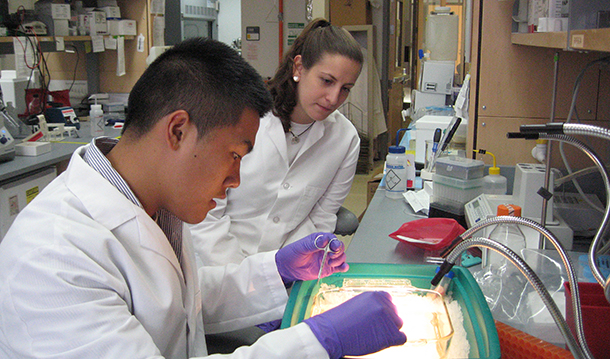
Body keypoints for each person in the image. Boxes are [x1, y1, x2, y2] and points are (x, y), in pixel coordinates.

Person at [0, 38, 406, 358]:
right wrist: (318, 341)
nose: (235, 179)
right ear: (178, 130)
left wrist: (277, 271)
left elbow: (181, 303)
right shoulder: (53, 255)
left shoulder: (152, 203)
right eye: (234, 156)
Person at [189, 18, 363, 267]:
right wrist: (244, 278)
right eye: (326, 81)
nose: (334, 98)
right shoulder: (241, 118)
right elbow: (207, 215)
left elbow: (321, 220)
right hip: (219, 267)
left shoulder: (345, 140)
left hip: (290, 271)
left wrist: (285, 271)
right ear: (299, 68)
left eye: (346, 88)